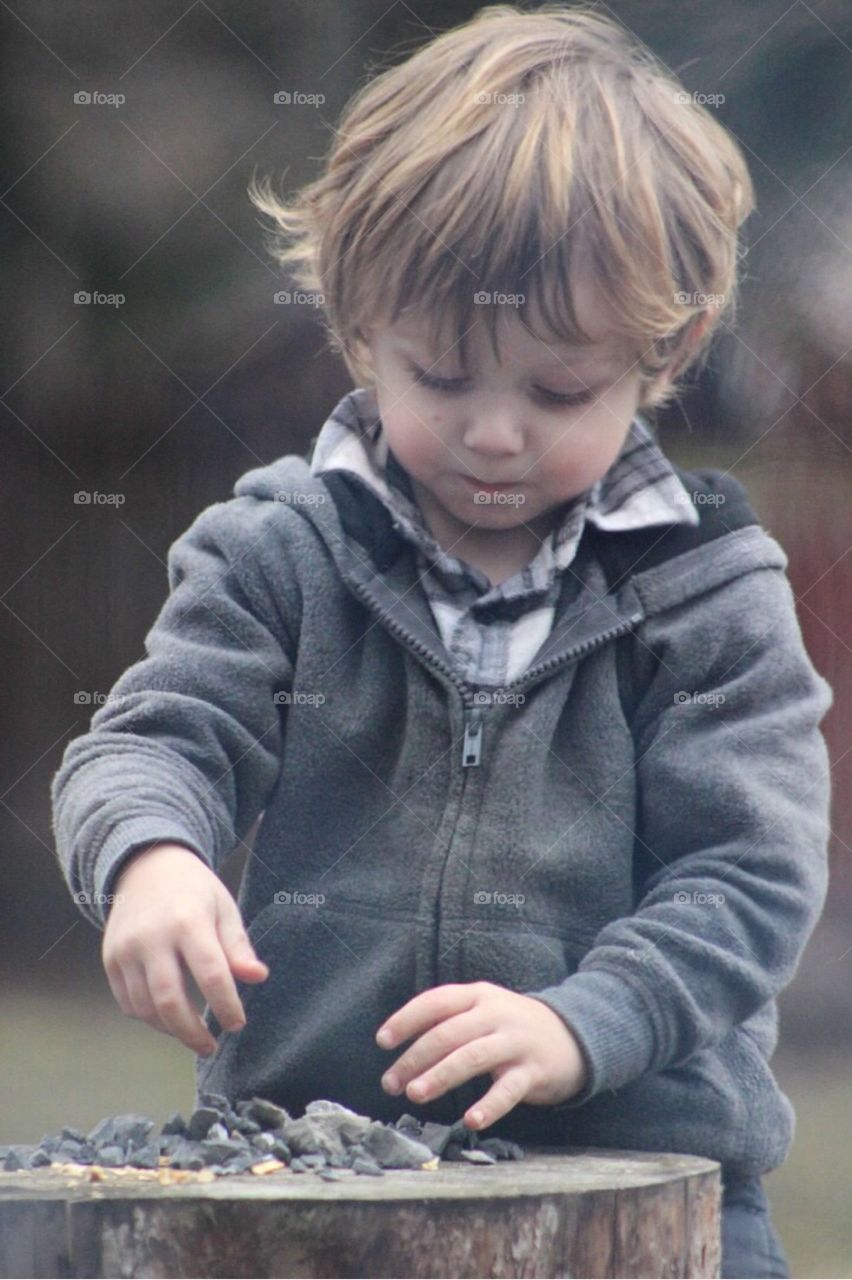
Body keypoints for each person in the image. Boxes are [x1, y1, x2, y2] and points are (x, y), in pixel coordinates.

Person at [51, 7, 831, 1277]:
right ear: (360, 328)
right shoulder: (280, 552)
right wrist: (149, 857)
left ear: (663, 351)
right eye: (443, 375)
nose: (493, 432)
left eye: (557, 391)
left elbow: (749, 872)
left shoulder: (706, 591)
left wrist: (586, 1023)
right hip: (307, 1167)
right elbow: (154, 737)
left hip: (652, 1175)